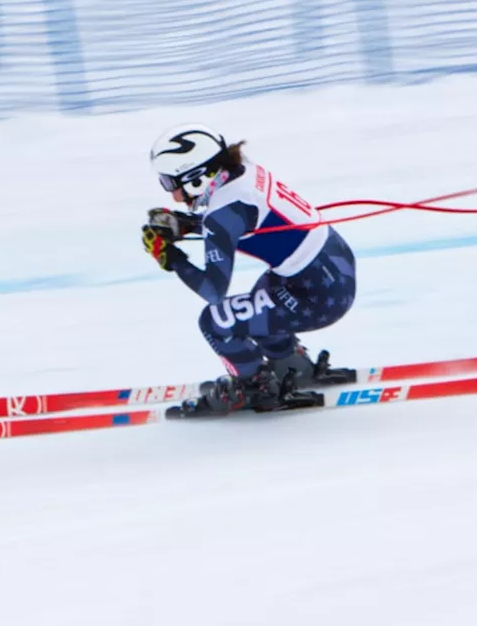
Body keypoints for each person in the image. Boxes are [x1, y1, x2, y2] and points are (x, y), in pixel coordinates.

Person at [141, 123, 358, 417]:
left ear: (196, 177)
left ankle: (254, 388)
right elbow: (238, 218)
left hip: (319, 294)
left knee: (217, 321)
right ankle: (289, 365)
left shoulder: (222, 214)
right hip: (329, 269)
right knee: (258, 304)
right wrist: (188, 225)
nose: (174, 196)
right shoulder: (240, 168)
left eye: (171, 183)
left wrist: (171, 257)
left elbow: (213, 291)